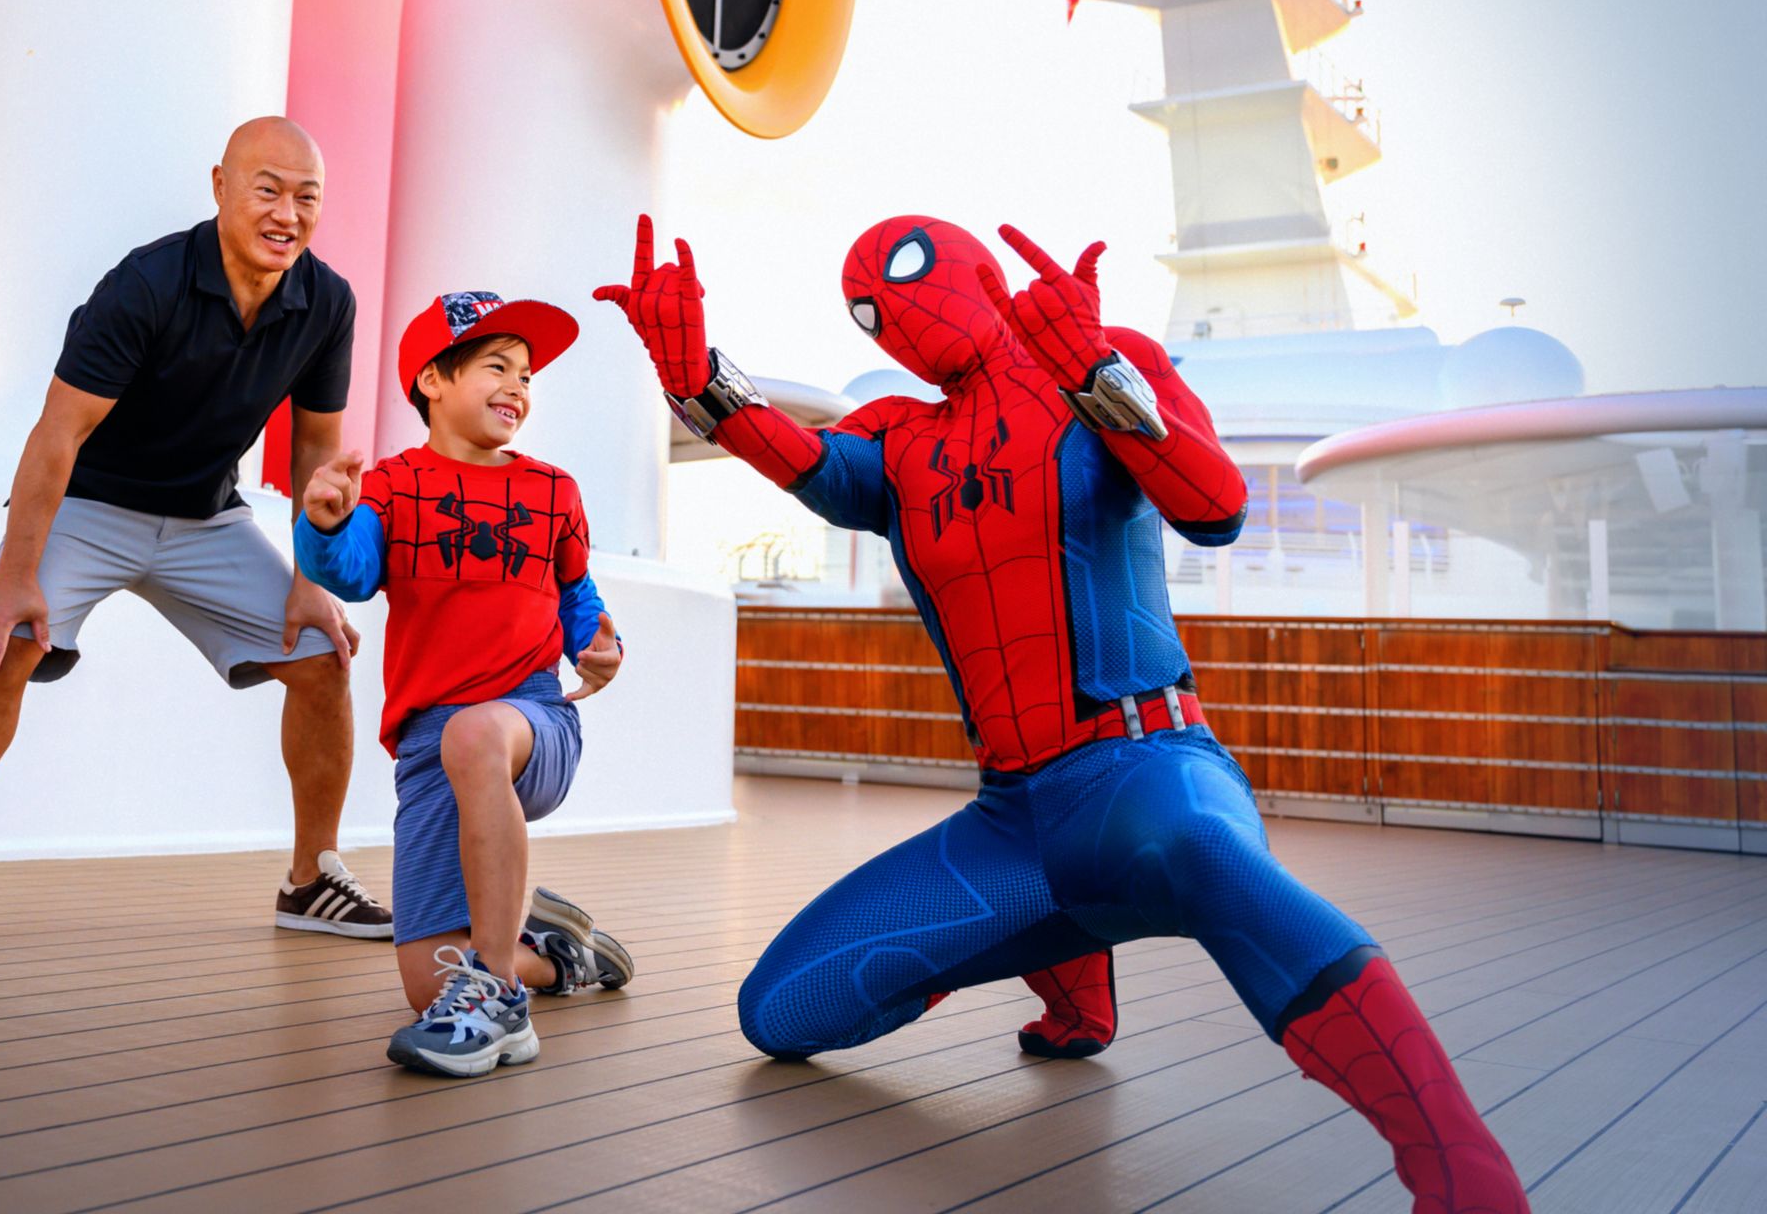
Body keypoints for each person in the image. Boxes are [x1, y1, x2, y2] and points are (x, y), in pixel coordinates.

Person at [597, 214, 1528, 1213]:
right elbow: (802, 460)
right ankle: (1069, 955)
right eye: (868, 310)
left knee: (1213, 867)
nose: (892, 315)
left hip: (1150, 767)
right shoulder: (897, 443)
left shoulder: (1098, 364)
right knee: (781, 1011)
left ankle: (1463, 1173)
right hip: (1013, 816)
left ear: (980, 275)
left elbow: (1213, 509)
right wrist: (695, 376)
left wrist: (1090, 367)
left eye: (906, 279)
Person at [0, 117, 392, 953]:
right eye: (267, 189)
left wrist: (312, 575)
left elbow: (318, 451)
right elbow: (56, 435)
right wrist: (14, 574)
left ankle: (310, 882)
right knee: (1, 643)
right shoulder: (145, 284)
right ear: (220, 185)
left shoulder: (326, 301)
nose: (286, 212)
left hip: (206, 514)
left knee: (324, 655)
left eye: (307, 196)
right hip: (93, 499)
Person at [293, 291, 632, 1077]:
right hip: (427, 746)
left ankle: (502, 1009)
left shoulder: (554, 490)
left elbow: (579, 596)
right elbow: (348, 573)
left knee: (475, 730)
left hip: (529, 725)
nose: (518, 385)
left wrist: (601, 645)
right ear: (433, 381)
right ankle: (557, 954)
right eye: (495, 367)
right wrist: (327, 522)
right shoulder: (392, 486)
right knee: (425, 986)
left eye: (525, 373)